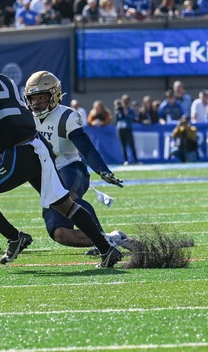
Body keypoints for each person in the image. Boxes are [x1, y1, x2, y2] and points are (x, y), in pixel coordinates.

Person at [0, 38, 121, 268]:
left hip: (17, 153)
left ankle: (14, 237)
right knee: (64, 204)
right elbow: (4, 130)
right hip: (37, 148)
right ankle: (107, 250)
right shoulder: (5, 80)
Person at [21, 71, 133, 255]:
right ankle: (110, 238)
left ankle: (103, 245)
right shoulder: (26, 118)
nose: (36, 103)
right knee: (60, 234)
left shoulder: (66, 116)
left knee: (69, 197)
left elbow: (86, 147)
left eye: (41, 97)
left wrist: (101, 170)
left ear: (54, 95)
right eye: (32, 98)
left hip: (71, 168)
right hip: (48, 176)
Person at [114, 94, 138, 165]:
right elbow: (117, 119)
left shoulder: (131, 110)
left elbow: (131, 118)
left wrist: (126, 110)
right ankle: (126, 160)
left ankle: (135, 160)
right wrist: (118, 109)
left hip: (128, 128)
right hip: (120, 129)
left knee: (131, 145)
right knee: (123, 145)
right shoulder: (119, 110)